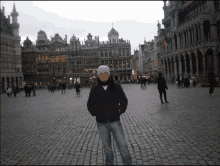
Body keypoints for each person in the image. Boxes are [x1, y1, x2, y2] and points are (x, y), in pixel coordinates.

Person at [87, 65, 132, 165]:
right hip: (101, 122)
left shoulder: (116, 87)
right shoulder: (95, 89)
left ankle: (128, 163)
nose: (103, 76)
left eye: (105, 74)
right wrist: (96, 113)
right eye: (101, 74)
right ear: (98, 76)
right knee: (106, 146)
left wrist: (120, 111)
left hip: (115, 120)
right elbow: (90, 104)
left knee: (122, 144)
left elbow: (124, 101)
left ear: (108, 74)